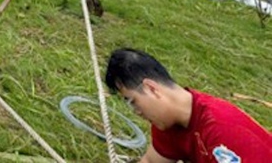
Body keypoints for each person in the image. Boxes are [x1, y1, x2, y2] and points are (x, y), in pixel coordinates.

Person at [105, 48, 272, 162]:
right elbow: (150, 160)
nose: (136, 112)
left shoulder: (223, 130)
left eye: (133, 102)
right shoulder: (169, 122)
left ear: (151, 89)